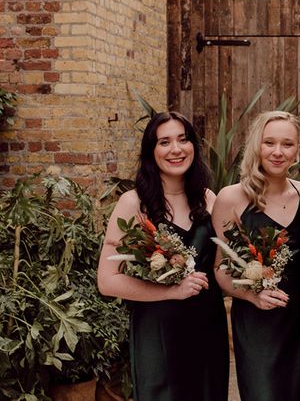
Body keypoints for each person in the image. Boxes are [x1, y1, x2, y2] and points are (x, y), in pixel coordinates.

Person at [97, 111, 229, 401]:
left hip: (207, 327)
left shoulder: (210, 198)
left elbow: (224, 265)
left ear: (193, 145)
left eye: (183, 140)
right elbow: (107, 281)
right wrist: (170, 291)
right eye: (164, 142)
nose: (176, 149)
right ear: (151, 151)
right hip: (157, 330)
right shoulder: (133, 204)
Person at [212, 110, 300, 401]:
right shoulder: (231, 198)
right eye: (269, 142)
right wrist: (252, 296)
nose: (277, 152)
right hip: (259, 326)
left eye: (287, 144)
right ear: (256, 147)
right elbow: (221, 271)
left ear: (298, 149)